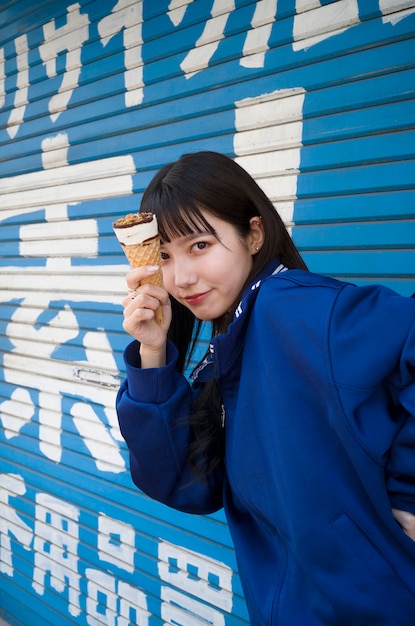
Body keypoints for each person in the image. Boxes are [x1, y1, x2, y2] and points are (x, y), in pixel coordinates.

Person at [116, 151, 415, 625]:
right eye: (166, 256)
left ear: (253, 234)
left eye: (200, 246)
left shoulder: (298, 311)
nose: (182, 278)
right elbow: (187, 485)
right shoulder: (231, 342)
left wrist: (409, 493)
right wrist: (152, 354)